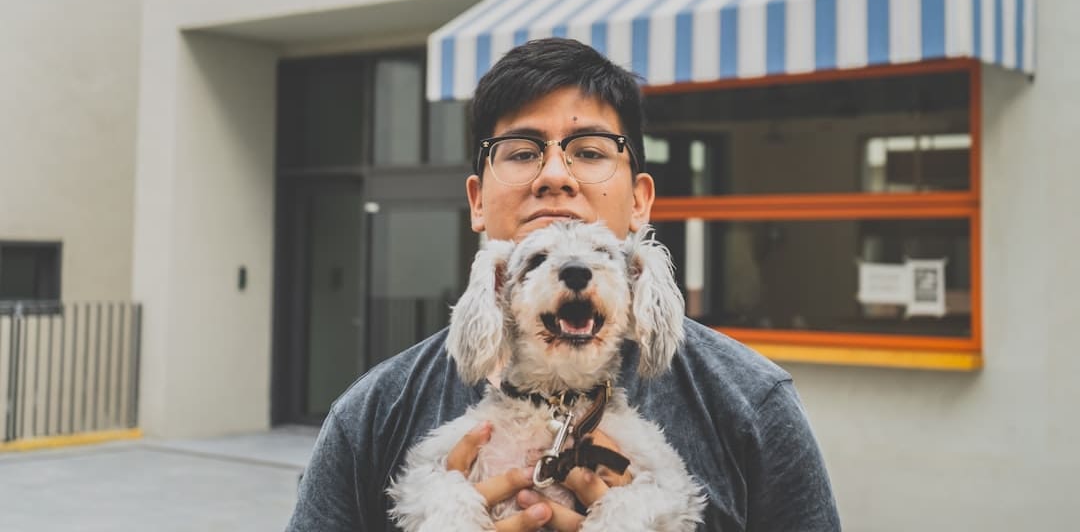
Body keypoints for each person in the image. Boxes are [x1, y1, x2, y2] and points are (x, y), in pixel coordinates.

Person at [286, 38, 841, 531]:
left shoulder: (751, 403)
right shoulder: (370, 415)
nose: (554, 175)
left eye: (591, 151)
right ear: (478, 201)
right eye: (524, 152)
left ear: (641, 202)